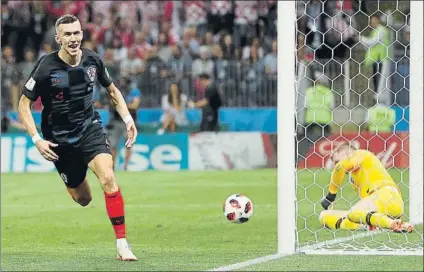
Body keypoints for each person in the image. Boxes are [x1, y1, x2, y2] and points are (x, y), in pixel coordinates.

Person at [17, 14, 138, 261]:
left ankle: (122, 244)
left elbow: (112, 91)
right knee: (83, 199)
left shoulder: (93, 60)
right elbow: (23, 104)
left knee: (108, 176)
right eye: (68, 34)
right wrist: (36, 139)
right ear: (58, 38)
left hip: (89, 129)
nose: (73, 38)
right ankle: (75, 177)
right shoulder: (46, 67)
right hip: (59, 140)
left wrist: (128, 119)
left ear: (82, 34)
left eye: (77, 33)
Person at [319, 142, 414, 233]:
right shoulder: (355, 176)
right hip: (383, 210)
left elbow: (340, 167)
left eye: (336, 161)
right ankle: (390, 224)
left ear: (346, 153)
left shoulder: (360, 153)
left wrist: (331, 195)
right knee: (324, 216)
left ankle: (391, 224)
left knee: (354, 213)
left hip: (387, 195)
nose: (335, 165)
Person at [105, 77, 141, 170]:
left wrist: (121, 105)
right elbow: (111, 102)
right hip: (116, 120)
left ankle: (126, 166)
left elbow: (135, 105)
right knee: (112, 145)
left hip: (128, 121)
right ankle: (112, 167)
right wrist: (124, 105)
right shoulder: (114, 90)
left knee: (129, 144)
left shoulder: (134, 91)